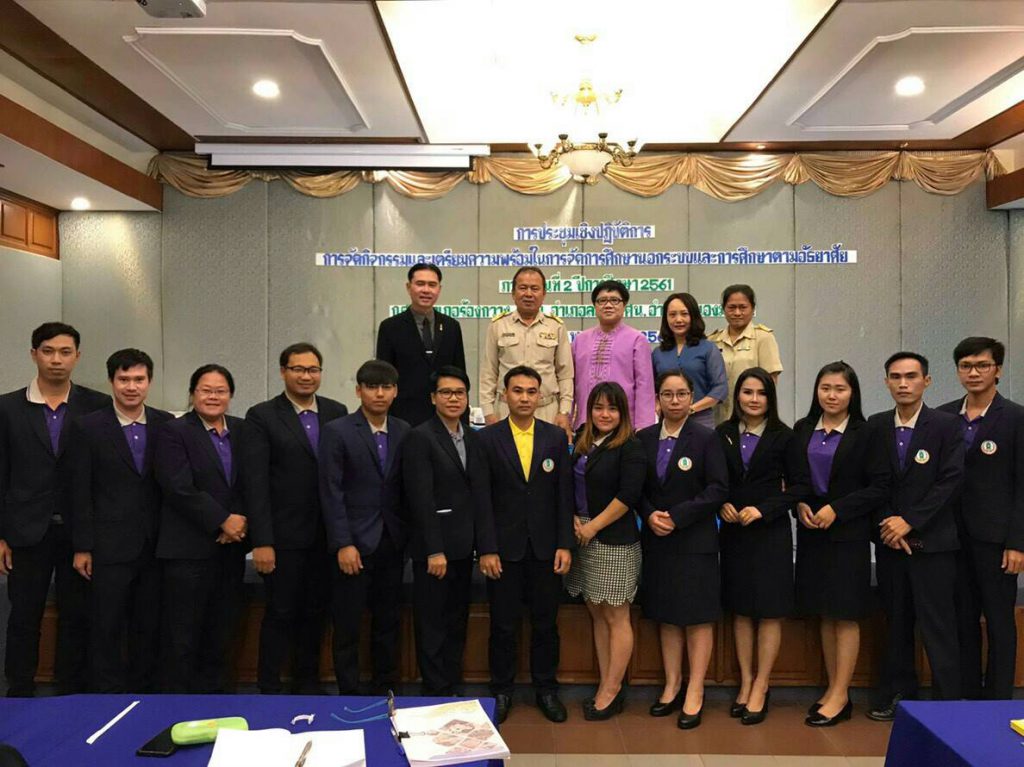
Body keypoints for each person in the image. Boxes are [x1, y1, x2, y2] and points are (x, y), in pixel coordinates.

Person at [0, 322, 110, 696]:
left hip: (80, 533)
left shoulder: (96, 406)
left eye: (65, 352)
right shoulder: (7, 408)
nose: (56, 360)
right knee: (24, 616)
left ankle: (69, 694)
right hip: (25, 531)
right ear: (34, 354)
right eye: (48, 351)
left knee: (77, 617)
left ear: (77, 356)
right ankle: (19, 694)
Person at [241, 343, 348, 695]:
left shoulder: (336, 411)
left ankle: (308, 684)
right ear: (283, 372)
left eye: (313, 369)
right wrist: (262, 541)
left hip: (326, 537)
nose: (306, 376)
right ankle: (269, 688)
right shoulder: (262, 416)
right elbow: (256, 483)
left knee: (317, 614)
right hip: (282, 538)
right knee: (280, 613)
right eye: (298, 369)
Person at [67, 348, 173, 693]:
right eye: (123, 379)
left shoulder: (166, 425)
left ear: (150, 382)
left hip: (156, 546)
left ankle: (144, 694)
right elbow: (79, 490)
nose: (131, 386)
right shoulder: (88, 426)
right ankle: (106, 696)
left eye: (139, 379)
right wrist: (82, 546)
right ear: (111, 381)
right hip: (107, 547)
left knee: (149, 626)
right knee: (106, 627)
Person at [867, 352, 964, 720]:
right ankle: (898, 697)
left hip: (933, 545)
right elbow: (872, 484)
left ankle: (947, 706)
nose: (903, 384)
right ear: (886, 382)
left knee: (939, 627)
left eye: (911, 376)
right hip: (891, 545)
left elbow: (951, 481)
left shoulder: (946, 425)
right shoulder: (876, 425)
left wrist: (909, 521)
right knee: (897, 626)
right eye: (896, 377)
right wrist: (888, 525)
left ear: (927, 381)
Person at [476, 365, 574, 724]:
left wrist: (565, 544)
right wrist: (487, 548)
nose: (524, 398)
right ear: (505, 395)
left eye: (531, 391)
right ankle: (501, 691)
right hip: (503, 551)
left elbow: (564, 495)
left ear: (540, 396)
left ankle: (546, 689)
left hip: (546, 550)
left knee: (546, 625)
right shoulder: (487, 439)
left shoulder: (555, 438)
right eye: (517, 391)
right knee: (503, 625)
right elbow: (481, 499)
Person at [793, 362, 888, 726]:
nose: (831, 395)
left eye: (840, 389)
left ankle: (841, 693)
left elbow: (879, 486)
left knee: (845, 614)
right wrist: (800, 505)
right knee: (824, 612)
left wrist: (838, 509)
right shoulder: (803, 428)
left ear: (853, 393)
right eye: (825, 388)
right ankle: (833, 689)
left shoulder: (866, 432)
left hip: (848, 535)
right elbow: (797, 479)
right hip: (812, 533)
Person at [638, 369, 728, 729]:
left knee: (696, 616)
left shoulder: (707, 438)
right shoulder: (644, 438)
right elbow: (636, 489)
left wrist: (677, 516)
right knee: (667, 614)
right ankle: (672, 684)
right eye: (667, 394)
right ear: (657, 399)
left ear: (691, 399)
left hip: (695, 541)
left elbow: (718, 489)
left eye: (681, 394)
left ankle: (695, 689)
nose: (674, 401)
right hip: (657, 540)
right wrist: (649, 514)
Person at [717, 367, 805, 725]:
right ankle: (745, 680)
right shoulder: (722, 434)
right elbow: (714, 482)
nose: (753, 399)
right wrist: (721, 504)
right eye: (747, 392)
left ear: (771, 398)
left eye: (761, 393)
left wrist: (764, 510)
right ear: (737, 395)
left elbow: (800, 487)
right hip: (734, 533)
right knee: (740, 609)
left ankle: (762, 684)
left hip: (770, 534)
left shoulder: (785, 436)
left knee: (769, 611)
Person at [938, 338, 1024, 700]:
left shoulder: (1016, 418)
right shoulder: (943, 416)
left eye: (982, 365)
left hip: (996, 540)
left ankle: (999, 698)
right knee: (962, 619)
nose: (973, 372)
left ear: (998, 370)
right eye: (966, 366)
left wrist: (1017, 542)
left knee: (1000, 621)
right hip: (950, 538)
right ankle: (968, 696)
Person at [155, 364, 248, 693]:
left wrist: (240, 520)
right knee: (182, 635)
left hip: (230, 549)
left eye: (220, 391)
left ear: (230, 395)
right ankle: (178, 705)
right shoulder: (174, 431)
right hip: (187, 551)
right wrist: (222, 519)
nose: (213, 396)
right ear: (192, 394)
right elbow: (178, 487)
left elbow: (252, 481)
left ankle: (217, 702)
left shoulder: (242, 430)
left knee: (221, 633)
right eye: (205, 390)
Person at [319, 360, 410, 695]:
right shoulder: (338, 431)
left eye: (386, 387)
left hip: (391, 542)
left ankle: (386, 688)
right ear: (359, 391)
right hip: (353, 544)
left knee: (388, 621)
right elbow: (331, 491)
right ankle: (349, 692)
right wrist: (343, 543)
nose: (379, 394)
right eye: (372, 387)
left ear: (395, 391)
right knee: (348, 624)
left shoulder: (404, 430)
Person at [402, 365, 490, 695]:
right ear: (433, 398)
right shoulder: (420, 437)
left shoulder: (474, 438)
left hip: (464, 547)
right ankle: (435, 690)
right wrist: (434, 549)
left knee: (456, 620)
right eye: (446, 393)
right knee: (432, 623)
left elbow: (478, 493)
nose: (454, 399)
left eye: (460, 393)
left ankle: (451, 684)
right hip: (434, 551)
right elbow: (420, 499)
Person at [565, 381, 646, 720]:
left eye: (612, 408)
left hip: (613, 540)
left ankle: (612, 690)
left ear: (622, 412)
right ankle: (605, 681)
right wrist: (574, 518)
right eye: (598, 407)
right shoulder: (583, 439)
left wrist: (593, 526)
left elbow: (628, 496)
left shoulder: (630, 446)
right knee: (596, 611)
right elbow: (570, 484)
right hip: (581, 535)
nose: (605, 414)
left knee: (616, 615)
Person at [480, 267, 574, 435]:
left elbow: (565, 373)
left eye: (534, 288)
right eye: (523, 288)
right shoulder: (498, 325)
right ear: (513, 293)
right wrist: (488, 412)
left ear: (544, 294)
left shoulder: (556, 326)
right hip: (506, 410)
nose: (528, 294)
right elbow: (489, 372)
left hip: (546, 410)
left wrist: (564, 411)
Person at [376, 264, 466, 426]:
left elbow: (459, 374)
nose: (426, 290)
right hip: (402, 418)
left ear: (439, 289)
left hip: (444, 417)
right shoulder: (390, 327)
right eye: (420, 284)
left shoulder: (451, 326)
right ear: (408, 287)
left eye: (432, 285)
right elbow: (384, 377)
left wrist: (463, 418)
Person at [571, 280, 656, 431]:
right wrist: (567, 418)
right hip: (586, 424)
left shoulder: (637, 339)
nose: (608, 305)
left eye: (615, 300)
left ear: (624, 305)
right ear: (595, 306)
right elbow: (570, 383)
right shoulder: (580, 340)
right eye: (602, 301)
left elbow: (644, 387)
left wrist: (643, 427)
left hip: (624, 425)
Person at [650, 293, 728, 429]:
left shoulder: (708, 348)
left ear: (693, 316)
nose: (678, 319)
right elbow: (650, 387)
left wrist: (691, 409)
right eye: (672, 315)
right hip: (667, 421)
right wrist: (657, 405)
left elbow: (720, 389)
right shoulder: (658, 353)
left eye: (684, 314)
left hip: (701, 421)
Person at [707, 285, 783, 423]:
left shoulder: (763, 337)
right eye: (731, 307)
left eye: (743, 307)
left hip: (752, 416)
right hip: (718, 417)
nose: (737, 313)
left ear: (752, 309)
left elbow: (770, 381)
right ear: (723, 309)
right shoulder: (712, 340)